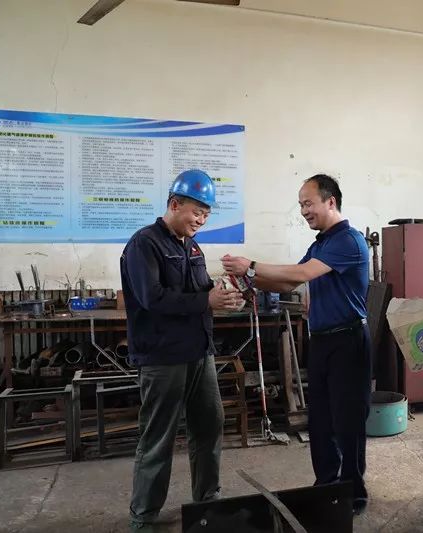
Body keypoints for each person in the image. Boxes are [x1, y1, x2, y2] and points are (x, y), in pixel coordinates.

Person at [221, 174, 371, 514]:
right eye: (301, 204)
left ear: (330, 201)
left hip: (348, 341)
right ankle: (327, 485)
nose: (303, 211)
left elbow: (300, 275)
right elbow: (289, 280)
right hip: (322, 341)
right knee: (321, 420)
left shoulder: (347, 241)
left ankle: (353, 494)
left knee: (347, 422)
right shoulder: (320, 244)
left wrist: (251, 266)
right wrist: (248, 279)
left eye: (308, 203)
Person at [121, 169, 243, 531]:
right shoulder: (144, 244)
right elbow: (152, 298)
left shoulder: (191, 246)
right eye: (197, 212)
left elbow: (202, 290)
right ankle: (143, 516)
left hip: (199, 352)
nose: (201, 220)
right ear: (175, 204)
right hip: (163, 356)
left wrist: (224, 296)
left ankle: (207, 502)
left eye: (206, 214)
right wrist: (206, 300)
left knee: (209, 426)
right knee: (158, 436)